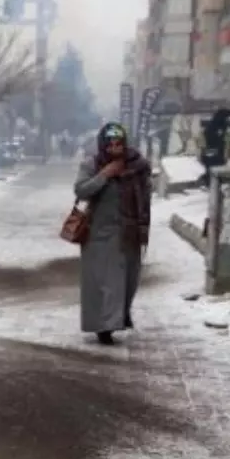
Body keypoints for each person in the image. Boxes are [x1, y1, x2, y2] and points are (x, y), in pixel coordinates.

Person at [74, 122, 152, 346]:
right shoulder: (92, 164)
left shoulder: (138, 165)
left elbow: (146, 198)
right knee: (105, 283)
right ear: (103, 145)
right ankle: (104, 326)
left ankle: (117, 318)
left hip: (129, 233)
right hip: (99, 234)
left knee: (128, 282)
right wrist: (105, 175)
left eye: (119, 144)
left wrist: (143, 227)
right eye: (110, 144)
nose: (114, 148)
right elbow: (81, 190)